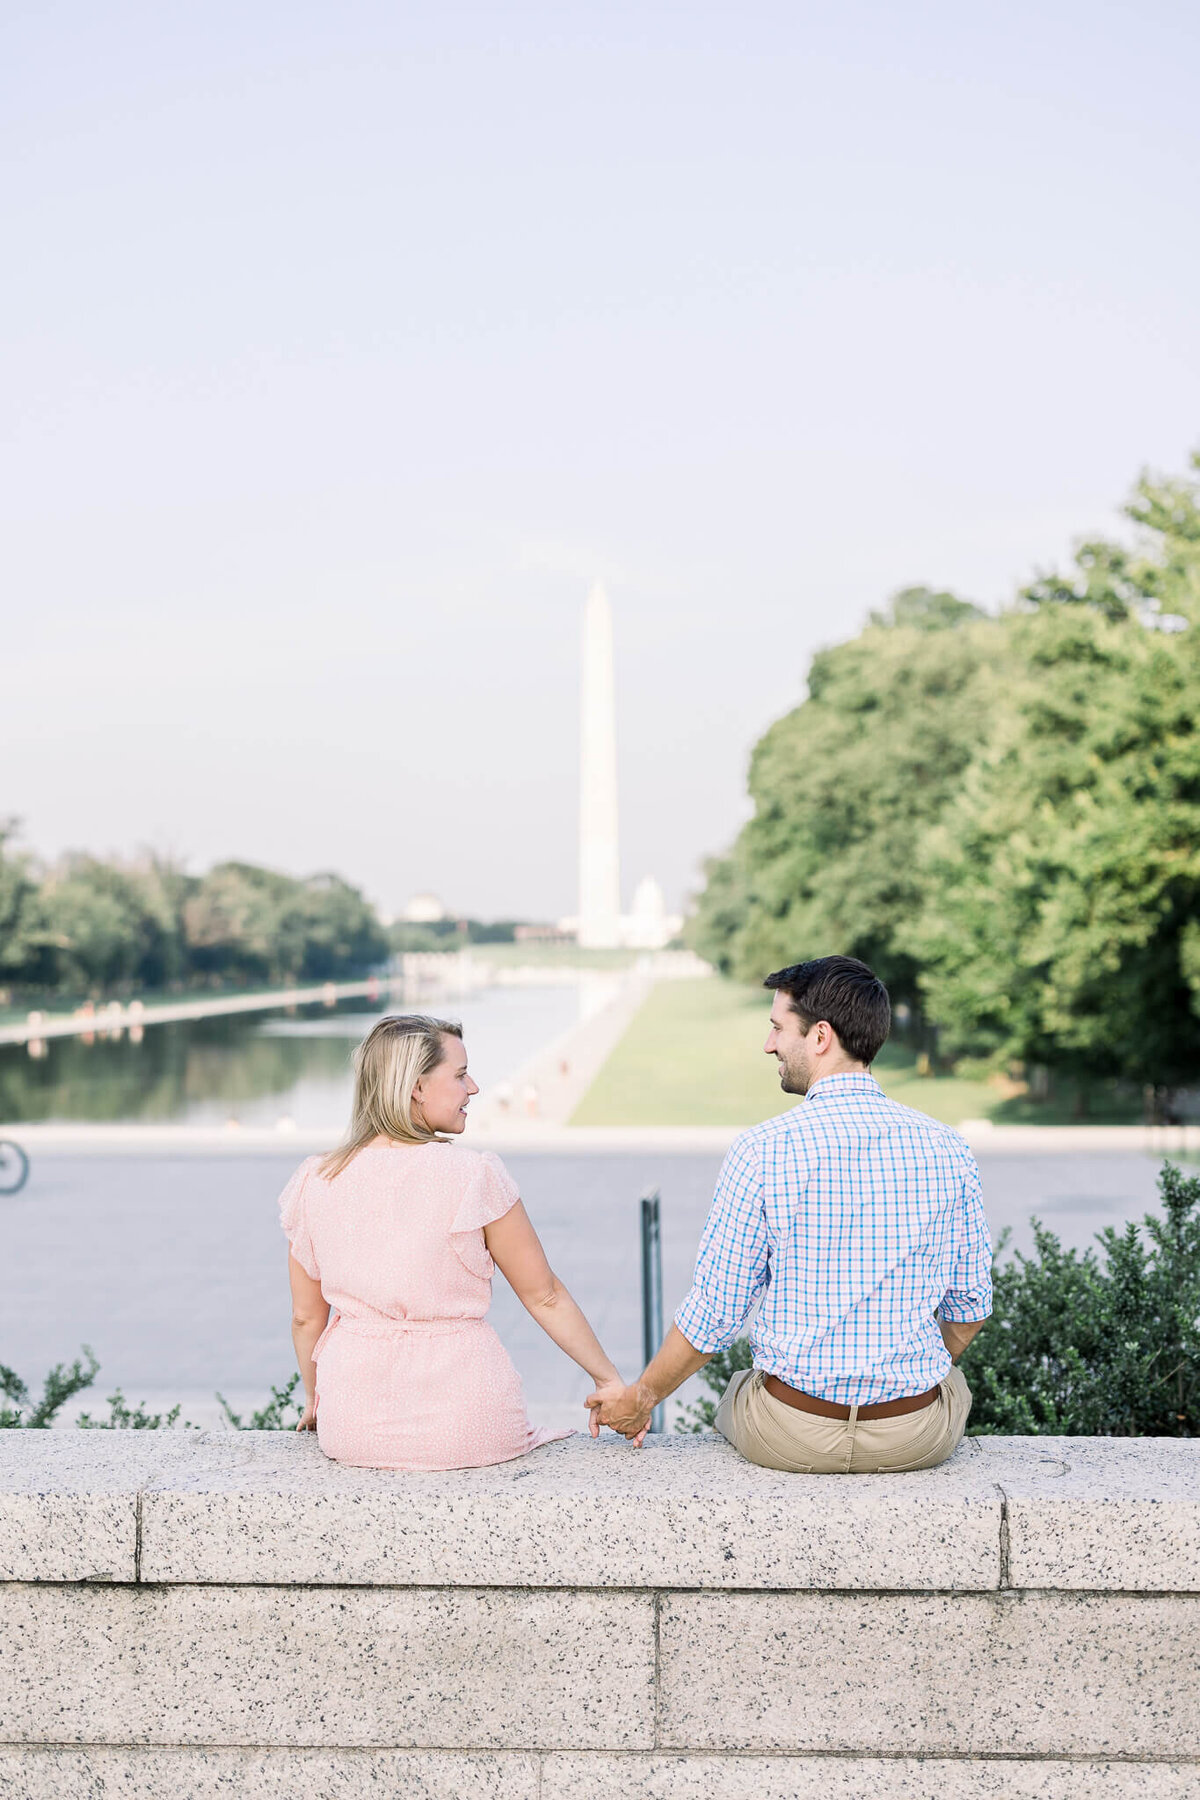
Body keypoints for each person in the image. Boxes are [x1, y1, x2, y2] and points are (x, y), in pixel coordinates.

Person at [587, 956, 993, 1473]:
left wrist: (641, 1398)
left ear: (820, 1036)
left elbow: (716, 1311)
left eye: (778, 1028)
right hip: (913, 1437)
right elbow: (971, 1307)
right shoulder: (949, 1149)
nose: (769, 1044)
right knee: (946, 1381)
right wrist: (898, 1374)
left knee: (741, 1390)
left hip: (793, 1435)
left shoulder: (761, 1150)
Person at [280, 1013, 634, 1470]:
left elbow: (306, 1317)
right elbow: (543, 1295)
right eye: (461, 1075)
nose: (474, 1088)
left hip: (351, 1426)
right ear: (416, 1088)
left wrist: (316, 1400)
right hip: (468, 1425)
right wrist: (608, 1380)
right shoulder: (475, 1174)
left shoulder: (315, 1179)